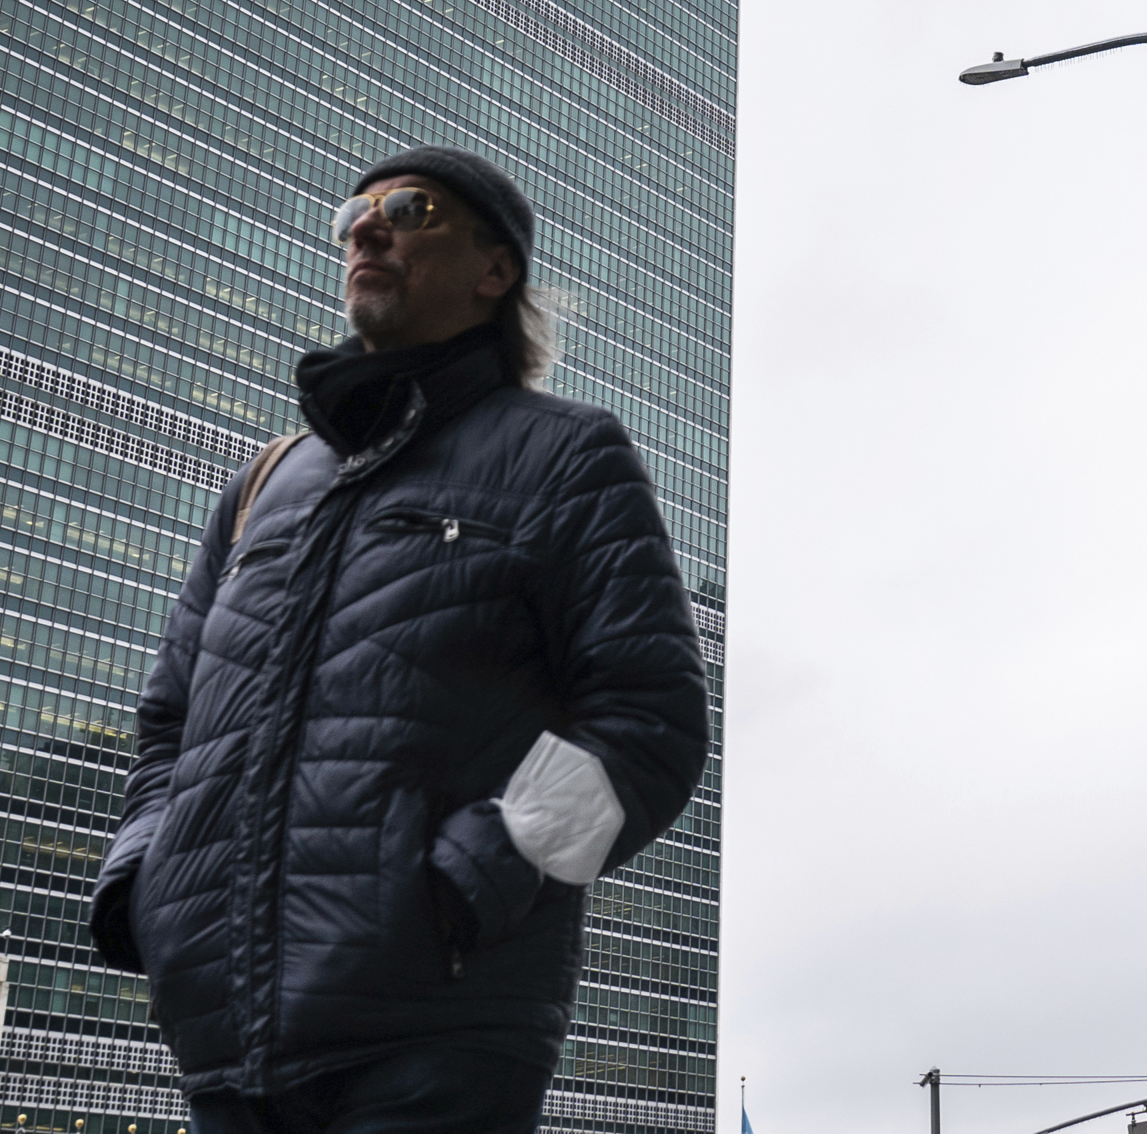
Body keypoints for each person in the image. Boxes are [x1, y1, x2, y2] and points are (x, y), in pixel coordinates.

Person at [90, 145, 711, 1134]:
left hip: (436, 1032)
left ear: (494, 269)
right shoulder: (265, 482)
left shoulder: (564, 454)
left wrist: (474, 875)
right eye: (355, 215)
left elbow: (649, 722)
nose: (367, 227)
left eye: (412, 208)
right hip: (222, 1035)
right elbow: (170, 721)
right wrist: (146, 882)